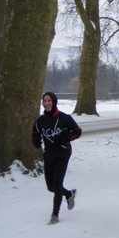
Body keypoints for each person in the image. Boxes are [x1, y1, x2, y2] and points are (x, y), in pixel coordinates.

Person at [32, 92, 82, 225]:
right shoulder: (40, 120)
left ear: (54, 102)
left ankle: (55, 215)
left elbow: (77, 131)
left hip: (63, 153)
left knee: (57, 184)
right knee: (51, 187)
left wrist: (66, 138)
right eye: (45, 101)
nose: (47, 103)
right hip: (49, 155)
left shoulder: (64, 118)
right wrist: (36, 141)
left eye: (49, 100)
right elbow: (35, 132)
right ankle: (68, 194)